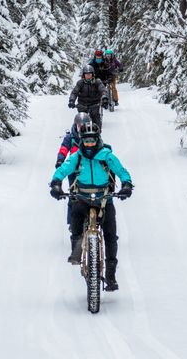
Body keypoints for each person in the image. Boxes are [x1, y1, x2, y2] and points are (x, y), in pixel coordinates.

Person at [49, 121, 134, 291]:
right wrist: (56, 183)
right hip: (82, 197)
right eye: (86, 141)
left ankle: (110, 276)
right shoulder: (77, 156)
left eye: (92, 140)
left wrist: (126, 184)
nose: (89, 144)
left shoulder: (106, 155)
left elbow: (121, 170)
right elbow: (63, 169)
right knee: (75, 218)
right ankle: (76, 250)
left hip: (104, 198)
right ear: (81, 140)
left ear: (98, 139)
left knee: (111, 236)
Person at [55, 112, 90, 226]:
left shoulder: (92, 135)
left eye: (84, 125)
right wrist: (60, 160)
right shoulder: (71, 137)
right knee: (73, 196)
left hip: (88, 169)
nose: (81, 127)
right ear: (75, 125)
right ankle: (72, 223)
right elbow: (64, 149)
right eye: (79, 125)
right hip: (74, 170)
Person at [68, 64, 104, 130]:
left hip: (94, 104)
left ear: (93, 74)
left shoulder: (97, 82)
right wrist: (71, 101)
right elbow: (74, 92)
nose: (88, 76)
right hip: (82, 105)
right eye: (86, 74)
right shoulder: (80, 83)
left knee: (96, 121)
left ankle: (97, 135)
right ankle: (78, 136)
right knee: (80, 122)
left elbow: (103, 90)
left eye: (90, 74)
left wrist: (104, 98)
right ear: (83, 75)